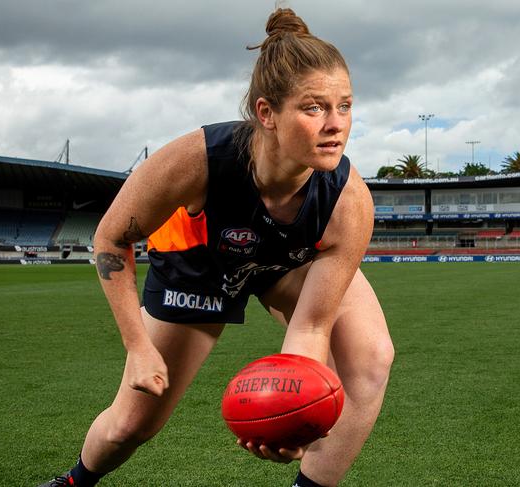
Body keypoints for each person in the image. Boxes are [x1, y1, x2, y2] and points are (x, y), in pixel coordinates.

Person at [39, 8, 394, 487]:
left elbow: (312, 324)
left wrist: (294, 410)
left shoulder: (347, 201)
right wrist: (137, 346)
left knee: (370, 358)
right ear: (267, 113)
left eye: (345, 106)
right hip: (199, 263)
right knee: (132, 424)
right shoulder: (199, 160)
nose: (336, 125)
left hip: (284, 262)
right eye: (313, 107)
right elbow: (111, 237)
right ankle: (75, 482)